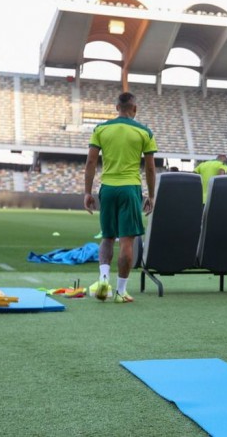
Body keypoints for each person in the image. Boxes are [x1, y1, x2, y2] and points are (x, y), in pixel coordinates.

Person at [84, 91, 157, 304]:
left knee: (107, 236)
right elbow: (150, 168)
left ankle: (103, 279)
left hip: (107, 188)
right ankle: (121, 291)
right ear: (134, 109)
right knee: (127, 241)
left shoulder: (101, 129)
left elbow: (90, 162)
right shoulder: (144, 132)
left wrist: (88, 192)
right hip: (130, 188)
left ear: (116, 108)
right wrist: (151, 195)